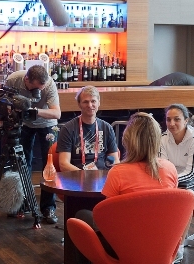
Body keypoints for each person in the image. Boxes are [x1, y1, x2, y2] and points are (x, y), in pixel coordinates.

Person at [74, 112, 179, 264]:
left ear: (127, 140)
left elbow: (106, 217)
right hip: (162, 244)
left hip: (124, 246)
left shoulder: (118, 172)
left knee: (82, 216)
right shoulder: (170, 168)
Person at [1, 64, 61, 224]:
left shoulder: (49, 84)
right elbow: (3, 102)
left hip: (47, 124)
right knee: (22, 164)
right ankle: (24, 202)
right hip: (25, 124)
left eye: (40, 89)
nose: (37, 92)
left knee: (49, 166)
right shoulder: (14, 80)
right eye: (34, 88)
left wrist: (34, 111)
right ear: (26, 79)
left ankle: (48, 208)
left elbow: (57, 112)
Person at [159, 103, 194, 263]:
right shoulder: (163, 138)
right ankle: (163, 244)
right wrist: (166, 183)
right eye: (168, 120)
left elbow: (192, 172)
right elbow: (163, 166)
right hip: (173, 183)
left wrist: (169, 183)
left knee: (185, 197)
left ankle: (179, 248)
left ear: (186, 120)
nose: (172, 123)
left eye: (177, 119)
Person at [56, 85, 120, 171]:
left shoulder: (107, 128)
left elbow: (115, 160)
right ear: (79, 104)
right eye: (85, 102)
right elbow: (64, 164)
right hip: (77, 178)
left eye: (93, 101)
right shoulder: (68, 129)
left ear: (99, 103)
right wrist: (86, 176)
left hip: (102, 177)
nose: (90, 105)